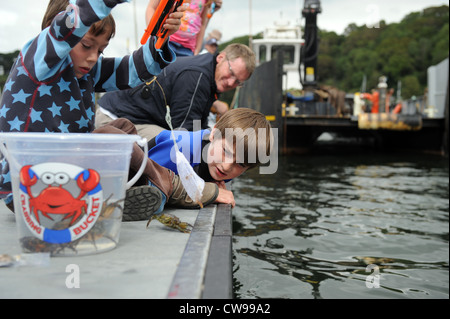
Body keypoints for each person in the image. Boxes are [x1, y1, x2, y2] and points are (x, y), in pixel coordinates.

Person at [0, 0, 231, 219]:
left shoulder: (85, 69)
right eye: (86, 45)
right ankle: (175, 186)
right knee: (108, 138)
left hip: (67, 172)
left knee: (123, 126)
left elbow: (132, 71)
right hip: (29, 185)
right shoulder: (40, 57)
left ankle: (141, 188)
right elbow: (75, 20)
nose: (92, 58)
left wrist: (162, 37)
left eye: (100, 50)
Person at [96, 43, 256, 141]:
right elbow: (185, 131)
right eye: (231, 73)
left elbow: (198, 123)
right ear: (221, 58)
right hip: (116, 118)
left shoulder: (209, 73)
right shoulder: (197, 75)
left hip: (135, 116)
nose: (231, 82)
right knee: (172, 145)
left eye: (238, 82)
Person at [146, 108, 273, 208]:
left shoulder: (219, 167)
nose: (227, 166)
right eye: (226, 151)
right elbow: (146, 180)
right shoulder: (179, 149)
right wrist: (208, 191)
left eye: (240, 164)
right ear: (214, 133)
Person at [145, 0, 223, 56]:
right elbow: (151, 7)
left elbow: (202, 24)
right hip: (165, 41)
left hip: (188, 48)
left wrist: (197, 49)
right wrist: (155, 34)